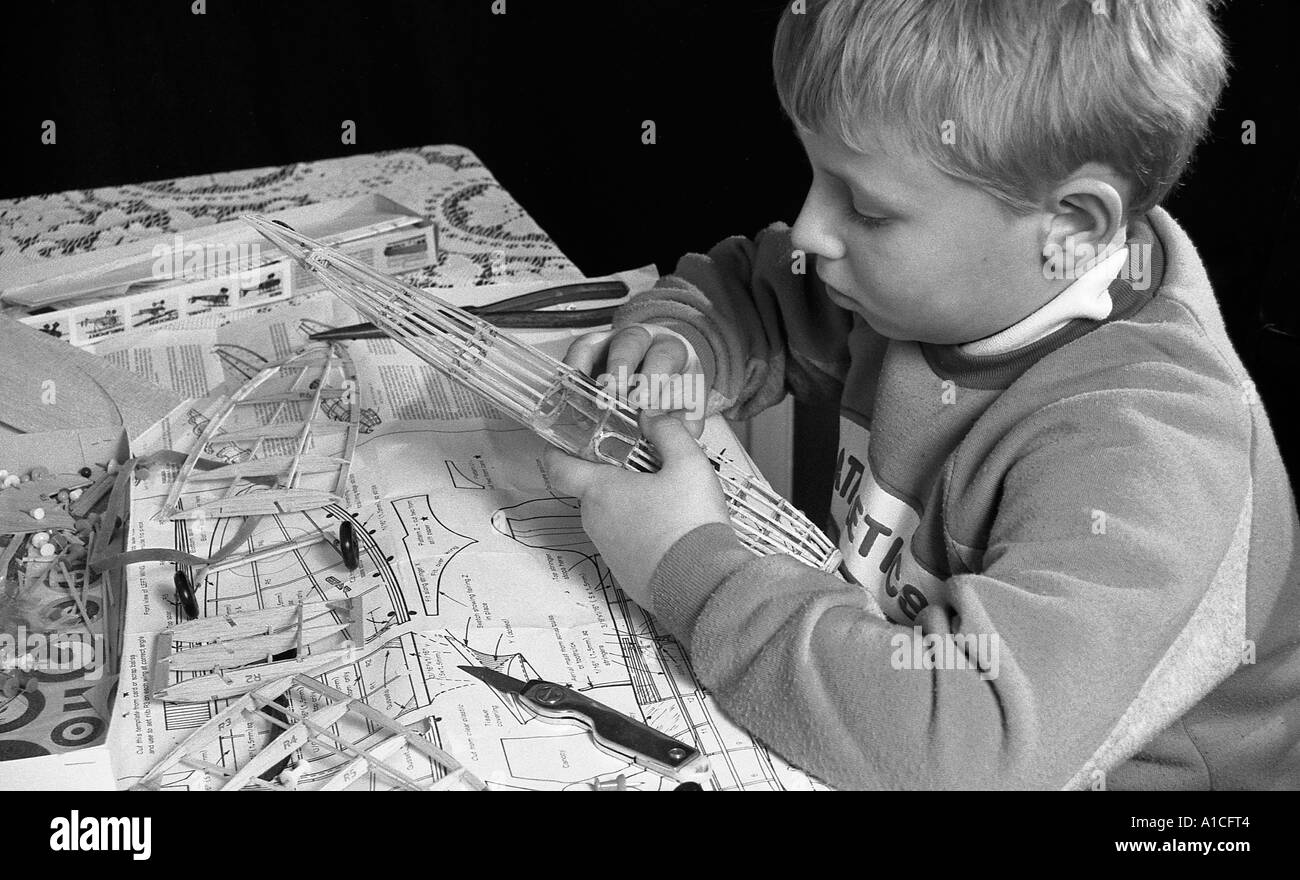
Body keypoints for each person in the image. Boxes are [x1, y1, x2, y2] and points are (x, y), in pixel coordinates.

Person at [543, 0, 1300, 789]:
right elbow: (758, 292)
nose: (807, 229)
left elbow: (962, 745)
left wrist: (690, 568)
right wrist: (682, 342)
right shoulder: (934, 287)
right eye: (814, 175)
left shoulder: (1155, 456)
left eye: (866, 208)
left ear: (1068, 226)